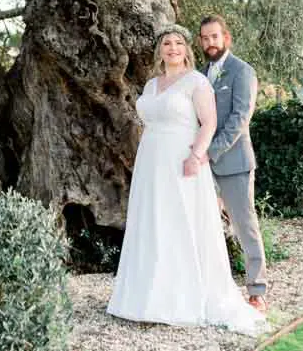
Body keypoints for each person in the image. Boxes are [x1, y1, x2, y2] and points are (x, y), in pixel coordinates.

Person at [107, 24, 267, 335]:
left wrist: (197, 156)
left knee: (183, 223)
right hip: (151, 163)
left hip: (183, 161)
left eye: (179, 43)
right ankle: (148, 295)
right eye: (167, 43)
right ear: (160, 50)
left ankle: (242, 293)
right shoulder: (153, 84)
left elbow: (209, 123)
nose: (173, 48)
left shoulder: (197, 81)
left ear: (186, 49)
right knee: (153, 223)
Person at [200, 14, 267, 312]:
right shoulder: (201, 74)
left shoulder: (242, 72)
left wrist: (211, 150)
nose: (210, 43)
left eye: (214, 37)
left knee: (244, 226)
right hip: (203, 166)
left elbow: (241, 118)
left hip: (234, 162)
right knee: (204, 226)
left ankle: (257, 291)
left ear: (226, 38)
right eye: (204, 38)